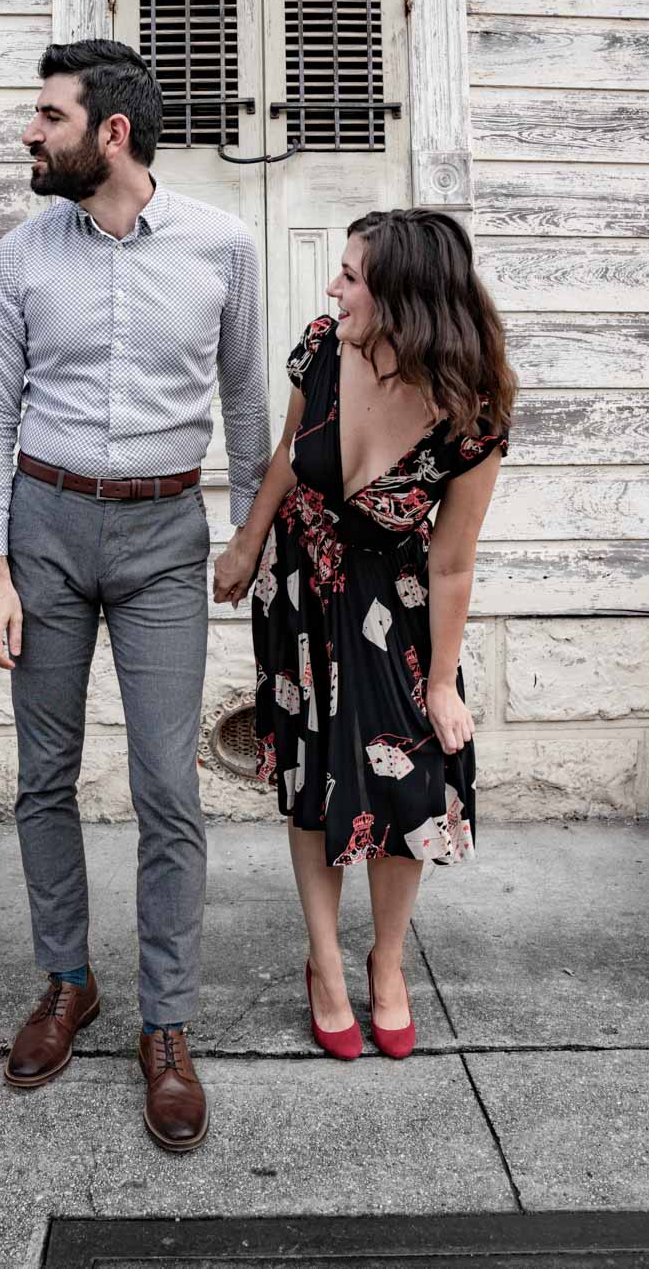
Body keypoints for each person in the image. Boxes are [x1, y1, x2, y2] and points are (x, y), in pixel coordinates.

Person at [0, 39, 270, 1150]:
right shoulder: (20, 255)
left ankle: (167, 1025)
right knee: (43, 776)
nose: (29, 131)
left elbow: (247, 402)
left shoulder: (222, 246)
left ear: (112, 132)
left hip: (162, 538)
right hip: (43, 527)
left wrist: (247, 536)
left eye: (48, 115)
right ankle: (67, 981)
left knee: (166, 787)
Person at [212, 209, 514, 1060]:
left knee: (406, 784)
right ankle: (324, 964)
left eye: (349, 276)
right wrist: (245, 543)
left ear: (404, 296)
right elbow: (287, 453)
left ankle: (386, 960)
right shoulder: (320, 349)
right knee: (312, 774)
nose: (332, 288)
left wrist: (441, 683)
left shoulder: (471, 414)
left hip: (394, 606)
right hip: (298, 592)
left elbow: (451, 562)